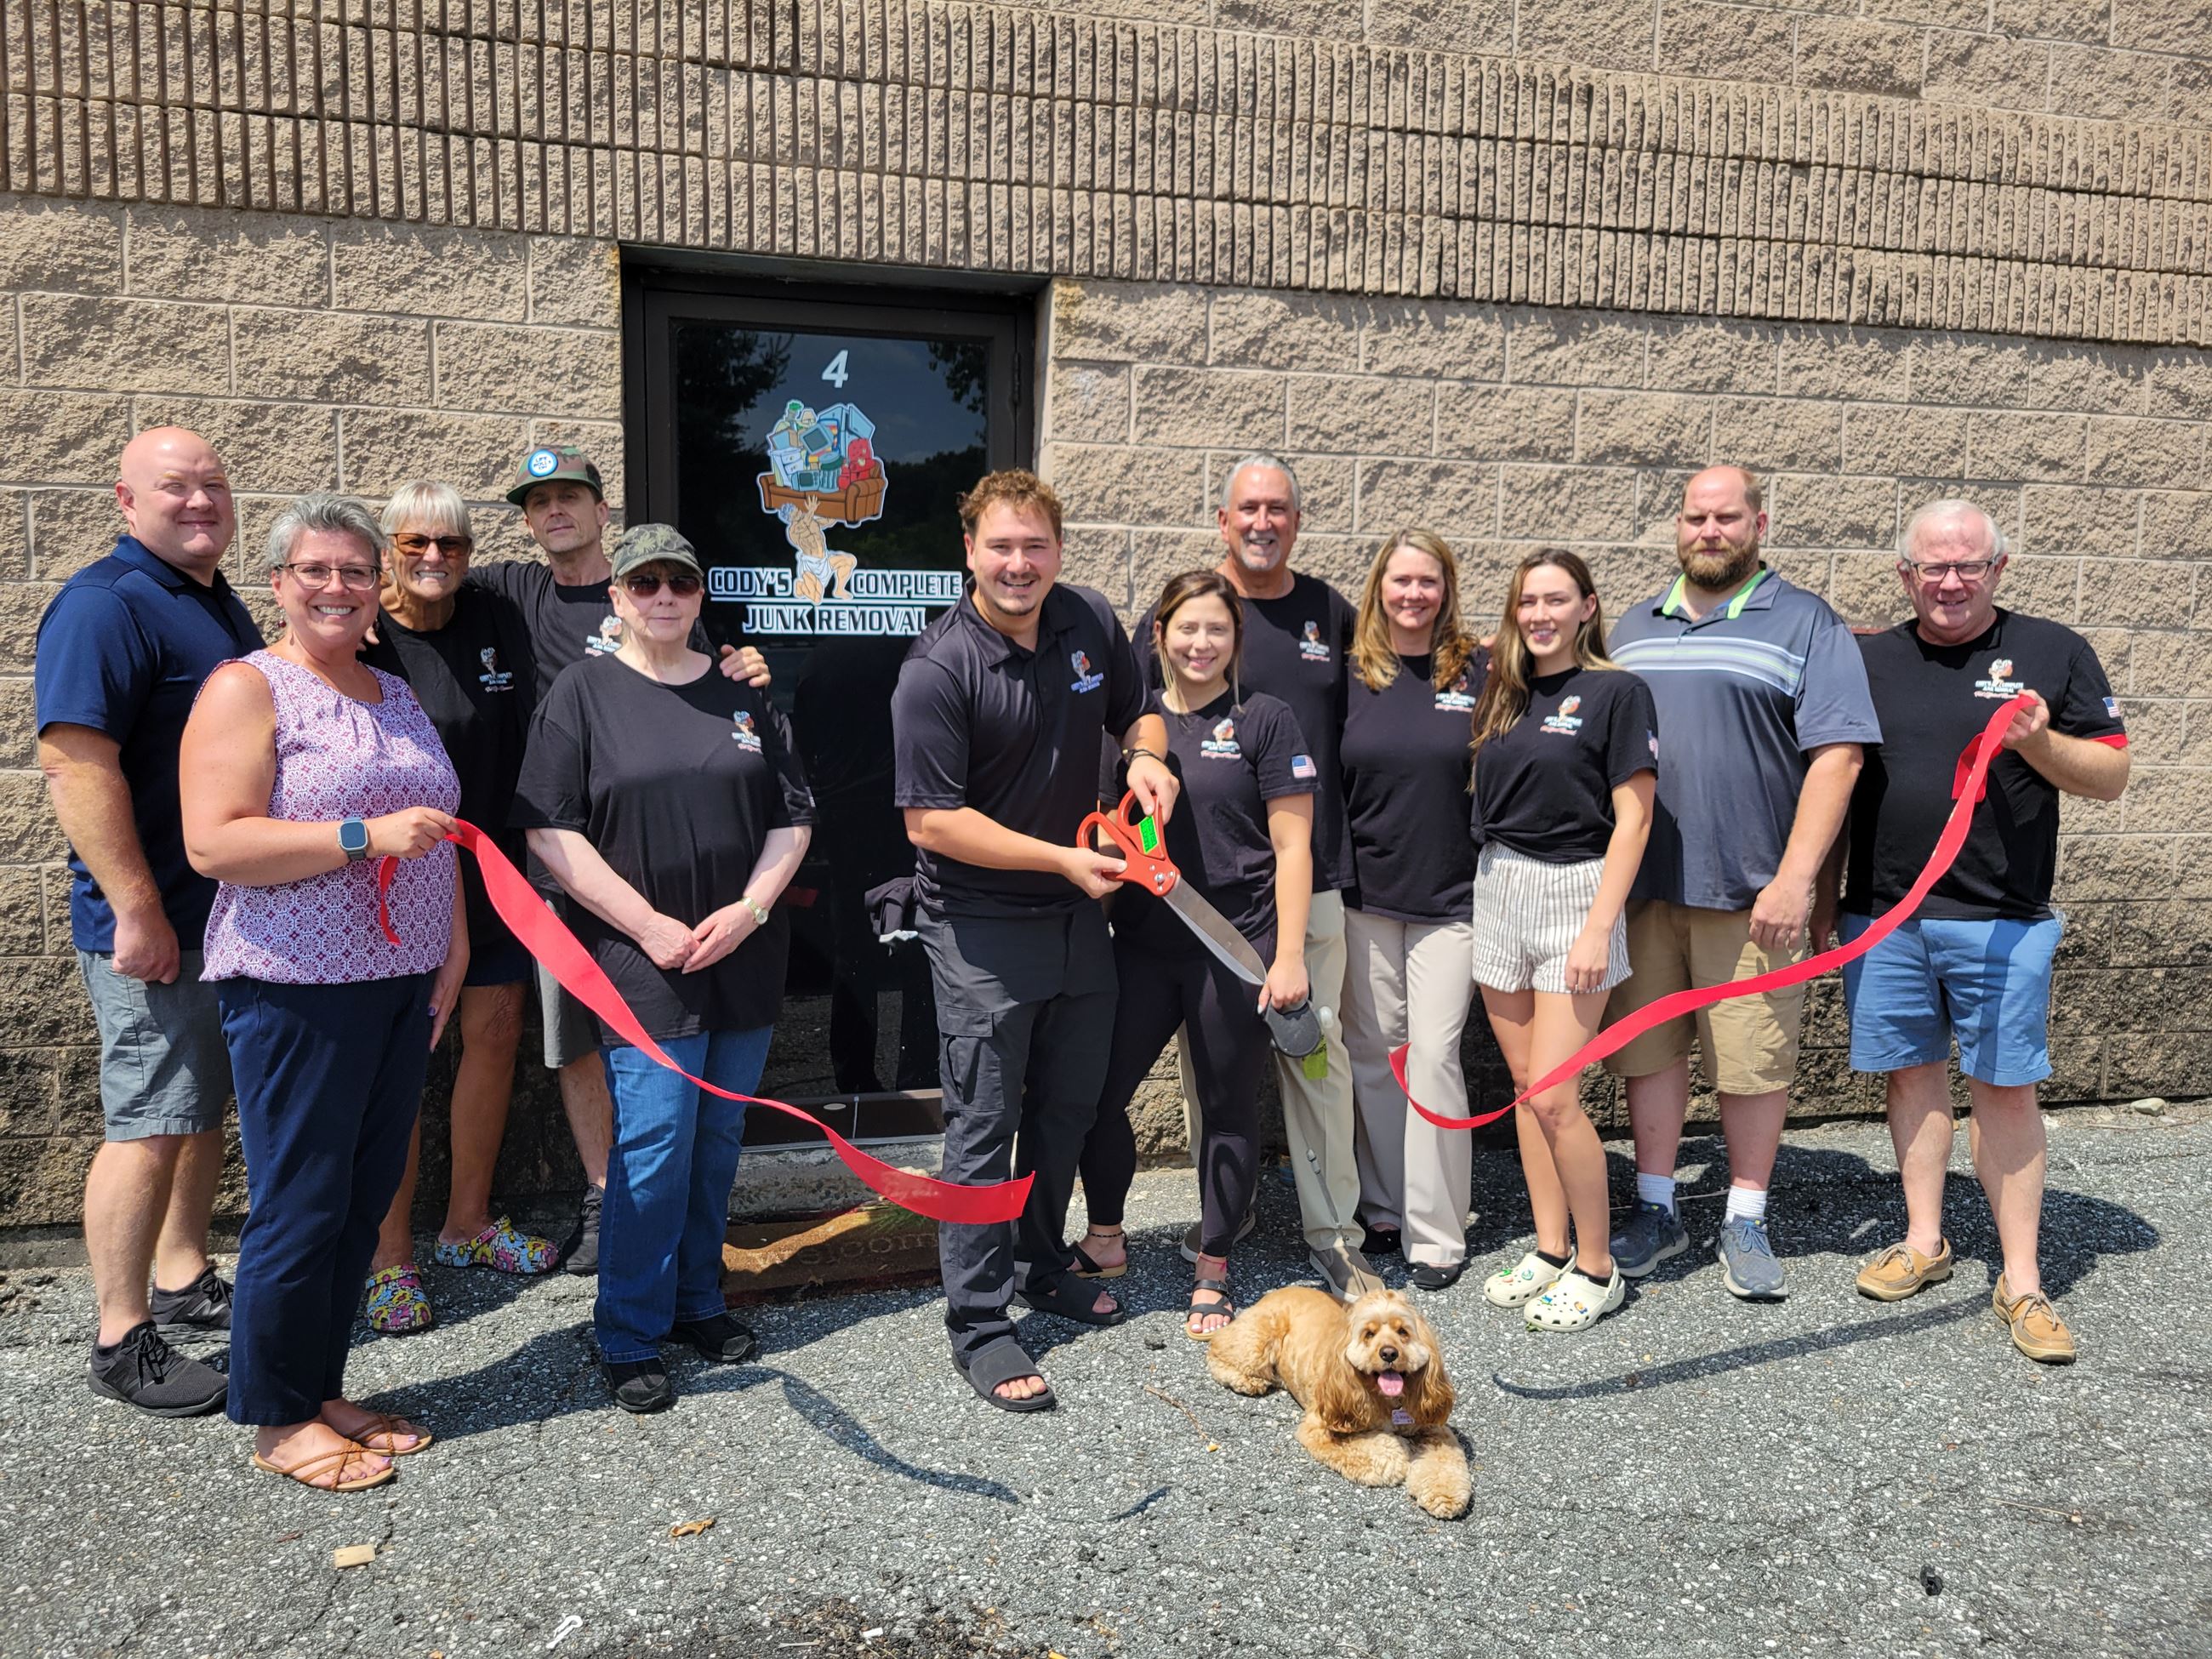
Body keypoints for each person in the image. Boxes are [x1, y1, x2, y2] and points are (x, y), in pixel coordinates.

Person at [179, 492, 465, 1491]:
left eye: (354, 571)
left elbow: (438, 828)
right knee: (300, 1204)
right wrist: (361, 837)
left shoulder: (394, 691)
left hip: (402, 981)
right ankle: (275, 1415)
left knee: (356, 1201)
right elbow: (215, 841)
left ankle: (319, 1384)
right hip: (299, 984)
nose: (338, 587)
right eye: (317, 570)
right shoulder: (246, 688)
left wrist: (453, 945)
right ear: (279, 585)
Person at [892, 470, 1176, 1411]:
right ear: (968, 551)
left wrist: (1145, 756)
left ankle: (1041, 1261)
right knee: (983, 1128)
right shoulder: (939, 668)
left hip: (1072, 920)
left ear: (1059, 550)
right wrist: (1060, 858)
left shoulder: (1087, 618)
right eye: (1001, 547)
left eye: (1036, 546)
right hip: (978, 931)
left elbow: (1138, 704)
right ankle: (977, 1322)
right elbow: (929, 823)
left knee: (1067, 1108)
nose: (1020, 565)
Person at [514, 526, 813, 1413]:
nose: (661, 599)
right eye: (642, 584)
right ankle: (628, 1332)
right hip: (645, 963)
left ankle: (696, 1302)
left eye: (677, 583)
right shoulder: (582, 692)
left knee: (717, 1146)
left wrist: (752, 909)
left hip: (741, 956)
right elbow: (547, 828)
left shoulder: (744, 690)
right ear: (618, 598)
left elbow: (793, 817)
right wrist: (645, 925)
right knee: (651, 1149)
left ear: (697, 594)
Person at [1833, 500, 2127, 1364]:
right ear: (1904, 576)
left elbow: (2109, 774)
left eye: (1967, 565)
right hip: (1884, 915)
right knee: (1910, 1077)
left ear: (1997, 569)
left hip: (2000, 920)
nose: (1950, 581)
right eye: (1932, 566)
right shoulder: (1868, 660)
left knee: (2003, 1089)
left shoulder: (2052, 651)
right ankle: (1923, 1241)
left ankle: (2022, 1281)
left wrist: (2039, 743)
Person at [469, 447, 766, 1276]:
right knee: (580, 1040)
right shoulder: (511, 593)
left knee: (671, 1065)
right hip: (568, 866)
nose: (554, 512)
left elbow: (711, 692)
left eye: (570, 498)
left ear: (603, 511)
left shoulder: (660, 588)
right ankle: (611, 1199)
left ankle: (672, 1234)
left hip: (667, 877)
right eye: (538, 503)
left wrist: (747, 673)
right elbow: (423, 581)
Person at [1603, 465, 1880, 1301]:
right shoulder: (1629, 626)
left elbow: (1837, 757)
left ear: (1758, 524)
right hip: (1644, 887)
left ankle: (1745, 1215)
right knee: (1646, 1053)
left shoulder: (1803, 622)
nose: (1708, 531)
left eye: (1726, 517)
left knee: (1751, 1061)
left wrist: (1797, 880)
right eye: (1694, 517)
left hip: (1753, 892)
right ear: (1676, 525)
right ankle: (1655, 1206)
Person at [35, 427, 261, 1417]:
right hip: (155, 924)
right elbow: (75, 764)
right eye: (177, 487)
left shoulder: (210, 599)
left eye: (215, 483)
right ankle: (123, 1336)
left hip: (224, 918)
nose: (201, 501)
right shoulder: (104, 605)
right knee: (150, 1122)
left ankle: (181, 1274)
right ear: (126, 501)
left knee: (197, 1108)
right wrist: (135, 907)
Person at [1129, 455, 1378, 1302]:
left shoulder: (1329, 613)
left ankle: (1332, 1234)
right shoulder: (1175, 612)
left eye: (1276, 508)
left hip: (1306, 878)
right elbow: (1140, 717)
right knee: (1214, 1071)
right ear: (1223, 519)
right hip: (1201, 900)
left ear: (1295, 522)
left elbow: (1395, 686)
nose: (1262, 521)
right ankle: (1219, 1225)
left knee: (1314, 1059)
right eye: (1247, 508)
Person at [1073, 570, 1314, 1337]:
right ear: (1160, 635)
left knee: (1227, 1109)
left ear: (1235, 638)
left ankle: (1214, 1265)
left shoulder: (1265, 719)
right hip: (1142, 947)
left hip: (1233, 947)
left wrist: (1289, 957)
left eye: (1216, 629)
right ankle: (1105, 1240)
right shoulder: (1132, 729)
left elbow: (1294, 845)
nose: (1200, 643)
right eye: (1186, 628)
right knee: (1099, 1098)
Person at [357, 482, 555, 1334]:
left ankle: (466, 1223)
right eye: (414, 544)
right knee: (403, 1055)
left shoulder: (496, 615)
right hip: (400, 875)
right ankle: (387, 1257)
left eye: (452, 545)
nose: (433, 559)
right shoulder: (358, 629)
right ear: (388, 549)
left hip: (494, 868)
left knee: (500, 1030)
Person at [1468, 554, 1656, 1330]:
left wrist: (1599, 927)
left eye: (1556, 600)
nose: (1540, 613)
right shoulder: (1504, 692)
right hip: (1501, 884)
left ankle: (1598, 1264)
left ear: (1587, 607)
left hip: (1577, 893)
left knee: (1556, 1095)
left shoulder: (1617, 691)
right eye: (1527, 601)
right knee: (1523, 1087)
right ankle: (1550, 1249)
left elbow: (1636, 817)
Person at [1337, 530, 1487, 1291]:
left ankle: (1437, 1230)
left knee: (1432, 1055)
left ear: (1446, 588)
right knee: (1373, 1054)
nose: (1413, 594)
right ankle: (1385, 1203)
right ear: (1379, 587)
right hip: (1366, 895)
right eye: (1400, 580)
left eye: (1427, 581)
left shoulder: (1480, 670)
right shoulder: (1350, 672)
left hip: (1452, 899)